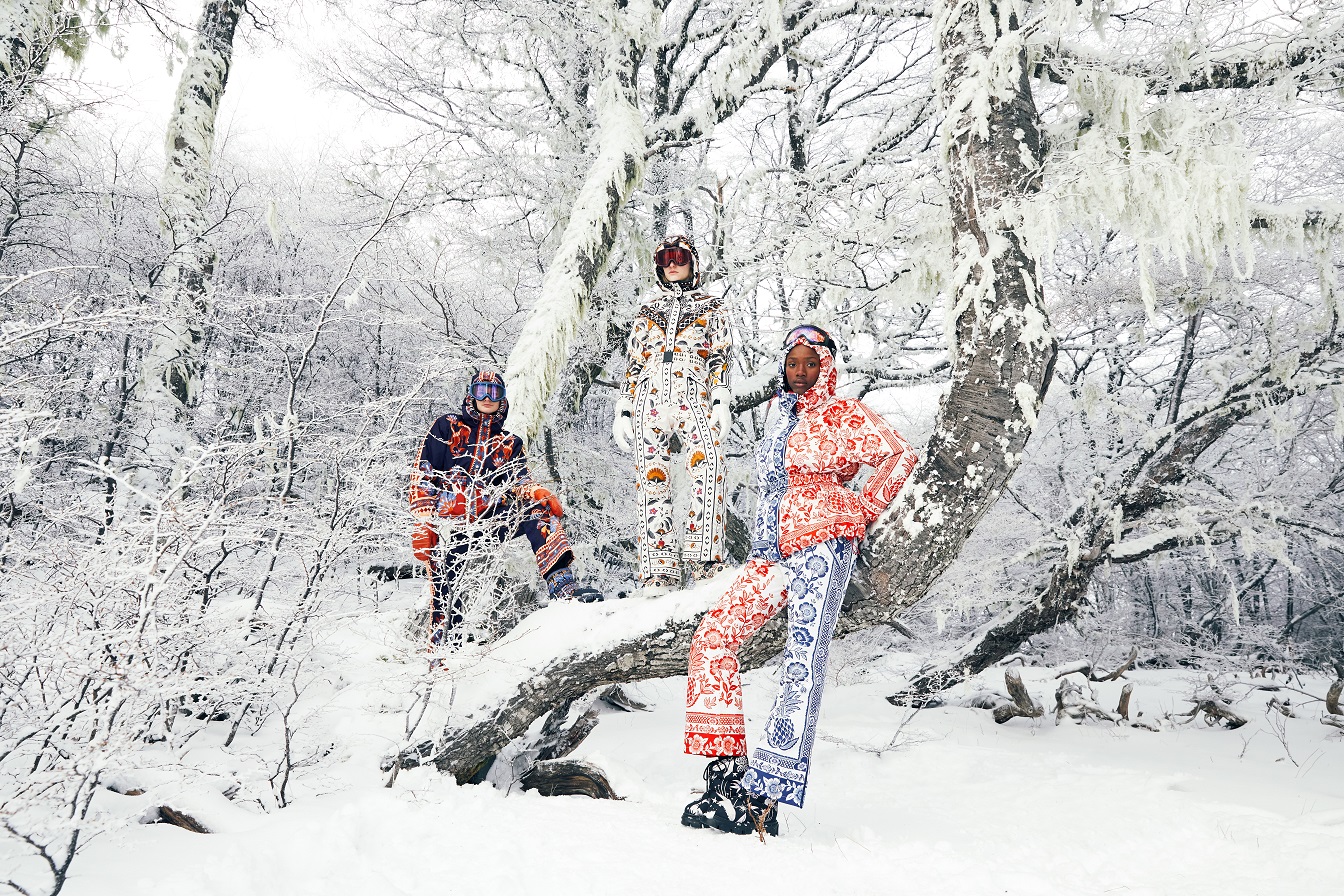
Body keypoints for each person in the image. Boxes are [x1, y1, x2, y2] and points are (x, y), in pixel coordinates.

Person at [679, 325, 919, 836]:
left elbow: (899, 456)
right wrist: (761, 550)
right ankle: (724, 778)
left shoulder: (842, 414)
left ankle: (764, 799)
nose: (802, 372)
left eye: (812, 363)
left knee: (801, 663)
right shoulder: (776, 415)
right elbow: (769, 487)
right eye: (794, 363)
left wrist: (859, 505)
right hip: (772, 555)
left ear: (827, 366)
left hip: (823, 545)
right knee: (712, 638)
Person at [410, 368, 603, 649]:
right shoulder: (447, 426)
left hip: (489, 519)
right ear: (471, 395)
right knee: (446, 588)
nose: (487, 398)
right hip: (449, 522)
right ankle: (445, 652)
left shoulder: (510, 442)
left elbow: (518, 480)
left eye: (494, 392)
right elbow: (423, 472)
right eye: (481, 391)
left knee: (537, 508)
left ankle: (562, 587)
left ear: (503, 399)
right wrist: (423, 521)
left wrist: (535, 491)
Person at [613, 235, 733, 595]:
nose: (672, 263)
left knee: (709, 463)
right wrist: (624, 405)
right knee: (650, 476)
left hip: (692, 385)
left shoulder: (713, 306)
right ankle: (658, 571)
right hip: (650, 391)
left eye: (679, 256)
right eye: (665, 258)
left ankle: (705, 558)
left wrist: (721, 398)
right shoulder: (647, 310)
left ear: (693, 261)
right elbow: (634, 362)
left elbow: (722, 355)